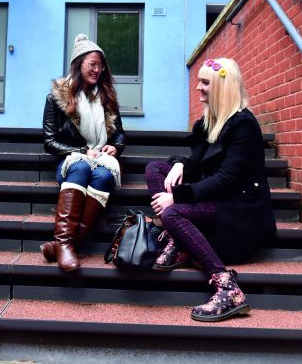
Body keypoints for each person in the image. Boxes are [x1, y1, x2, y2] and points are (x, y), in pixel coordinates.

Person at [145, 57, 276, 322]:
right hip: (217, 202)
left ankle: (228, 287)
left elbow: (225, 178)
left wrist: (176, 197)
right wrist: (181, 165)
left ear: (221, 86)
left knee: (172, 214)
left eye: (205, 82)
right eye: (199, 82)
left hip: (239, 214)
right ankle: (180, 243)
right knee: (155, 169)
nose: (198, 88)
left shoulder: (243, 125)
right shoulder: (208, 122)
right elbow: (199, 165)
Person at [41, 34, 126, 272]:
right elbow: (49, 142)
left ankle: (62, 245)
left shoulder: (107, 97)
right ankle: (67, 244)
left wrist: (115, 147)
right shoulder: (57, 97)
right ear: (79, 64)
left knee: (105, 177)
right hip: (72, 160)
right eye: (92, 64)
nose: (97, 70)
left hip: (101, 160)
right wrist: (82, 152)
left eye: (100, 65)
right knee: (80, 167)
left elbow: (119, 134)